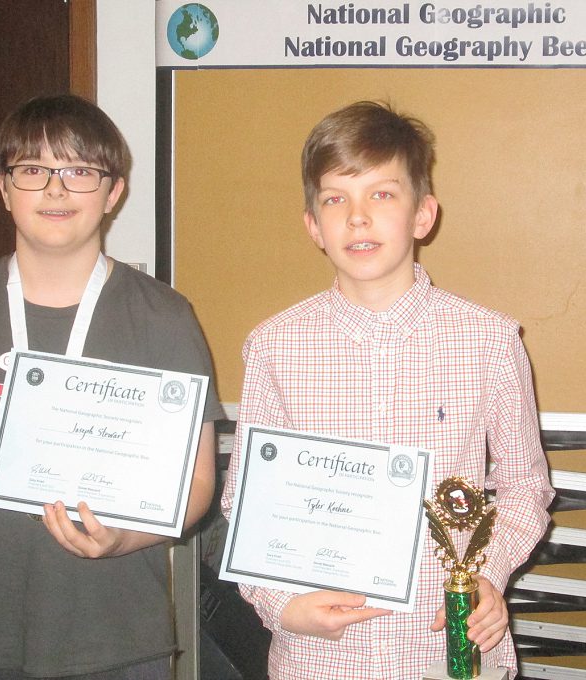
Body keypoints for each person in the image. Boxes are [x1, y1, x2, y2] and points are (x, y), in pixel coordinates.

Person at [0, 94, 224, 679]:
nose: (55, 189)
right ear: (3, 188)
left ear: (113, 191)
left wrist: (125, 538)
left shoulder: (164, 317)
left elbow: (196, 483)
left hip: (117, 632)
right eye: (32, 170)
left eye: (78, 171)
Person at [221, 101, 554, 679]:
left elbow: (525, 488)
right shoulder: (275, 348)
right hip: (319, 660)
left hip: (449, 654)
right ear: (312, 226)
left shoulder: (491, 342)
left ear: (423, 215)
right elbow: (246, 504)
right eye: (335, 199)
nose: (357, 218)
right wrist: (280, 605)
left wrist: (486, 574)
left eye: (382, 194)